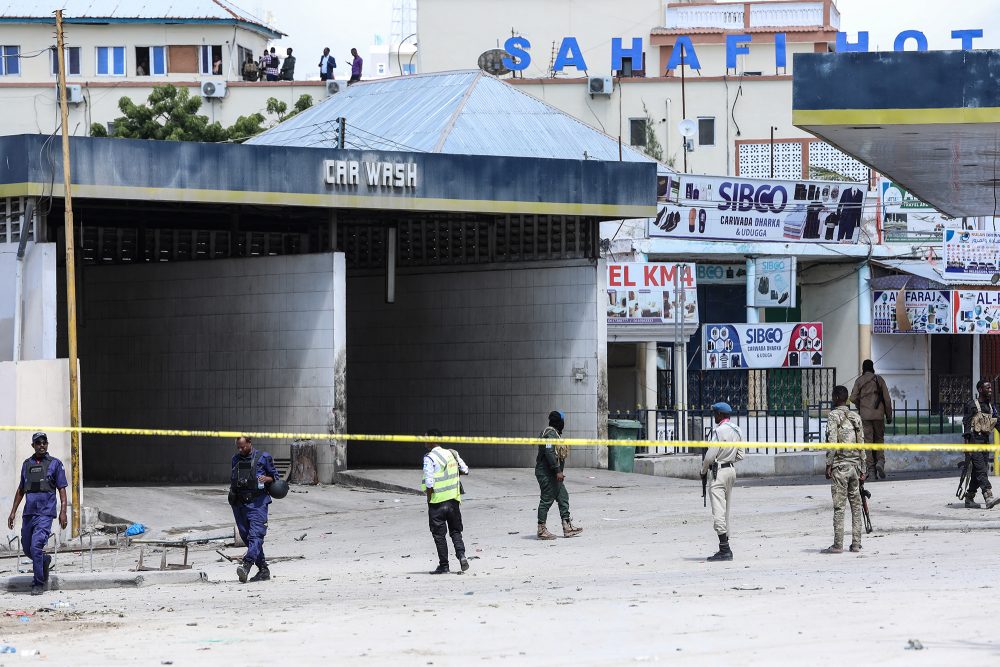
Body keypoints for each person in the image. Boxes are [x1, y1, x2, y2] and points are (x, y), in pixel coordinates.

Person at [6, 432, 68, 595]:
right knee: (27, 549)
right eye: (38, 443)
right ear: (33, 445)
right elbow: (21, 489)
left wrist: (63, 512)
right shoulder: (27, 464)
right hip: (29, 514)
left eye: (44, 442)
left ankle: (38, 583)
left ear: (47, 444)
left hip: (45, 514)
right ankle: (44, 560)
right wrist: (13, 512)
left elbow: (62, 489)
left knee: (36, 546)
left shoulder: (55, 464)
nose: (42, 445)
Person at [229, 436, 279, 582]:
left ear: (250, 443)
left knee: (256, 535)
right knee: (246, 536)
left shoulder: (263, 457)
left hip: (258, 503)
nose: (240, 449)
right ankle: (263, 569)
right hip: (240, 504)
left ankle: (247, 565)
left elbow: (275, 476)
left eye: (243, 446)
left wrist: (266, 479)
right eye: (238, 447)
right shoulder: (235, 458)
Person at [823, 385, 866, 554]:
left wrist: (828, 464)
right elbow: (862, 443)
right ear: (847, 399)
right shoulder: (856, 416)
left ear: (834, 398)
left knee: (839, 507)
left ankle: (838, 544)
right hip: (855, 467)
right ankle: (856, 543)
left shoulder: (833, 416)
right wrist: (863, 467)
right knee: (856, 506)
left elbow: (832, 442)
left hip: (840, 467)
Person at [421, 429, 470, 574]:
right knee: (455, 532)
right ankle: (461, 556)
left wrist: (430, 500)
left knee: (439, 535)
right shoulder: (452, 453)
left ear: (432, 440)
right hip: (453, 501)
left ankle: (444, 565)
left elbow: (429, 483)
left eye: (425, 438)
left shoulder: (429, 458)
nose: (423, 441)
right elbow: (465, 470)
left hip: (437, 502)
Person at [701, 402, 744, 561]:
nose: (714, 416)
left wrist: (703, 471)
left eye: (715, 413)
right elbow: (741, 455)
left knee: (718, 510)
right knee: (726, 509)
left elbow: (710, 457)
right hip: (731, 471)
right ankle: (725, 545)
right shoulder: (736, 429)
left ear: (720, 415)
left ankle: (725, 549)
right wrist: (729, 459)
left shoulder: (718, 431)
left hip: (718, 472)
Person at [535, 410, 583, 539]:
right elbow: (549, 453)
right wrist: (558, 471)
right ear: (559, 422)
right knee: (546, 499)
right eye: (562, 421)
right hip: (547, 473)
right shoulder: (550, 434)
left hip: (552, 473)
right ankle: (541, 530)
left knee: (563, 497)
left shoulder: (554, 433)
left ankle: (567, 526)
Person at [849, 359, 893, 479]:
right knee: (879, 440)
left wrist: (860, 403)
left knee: (868, 442)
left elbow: (852, 398)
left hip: (865, 415)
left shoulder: (860, 380)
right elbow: (887, 400)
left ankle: (872, 470)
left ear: (863, 368)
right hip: (878, 415)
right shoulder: (879, 379)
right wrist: (889, 415)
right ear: (872, 367)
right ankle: (880, 462)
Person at [961, 380, 1000, 509]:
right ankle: (988, 495)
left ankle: (969, 498)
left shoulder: (990, 407)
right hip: (973, 441)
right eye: (987, 387)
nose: (990, 389)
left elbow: (997, 423)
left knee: (977, 472)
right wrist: (967, 447)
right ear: (980, 389)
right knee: (982, 470)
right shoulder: (972, 405)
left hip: (985, 442)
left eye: (990, 387)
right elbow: (966, 425)